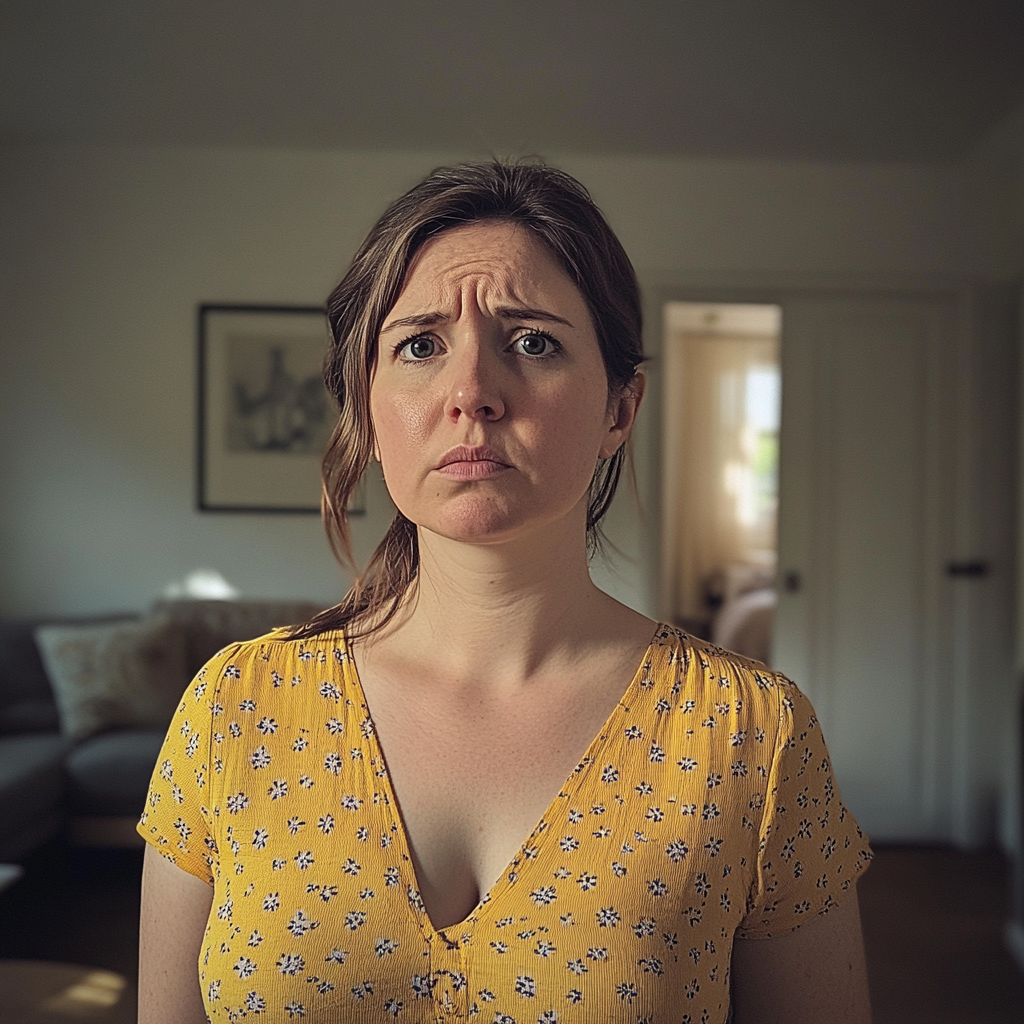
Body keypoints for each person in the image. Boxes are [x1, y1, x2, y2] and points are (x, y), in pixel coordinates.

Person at [138, 160, 873, 1024]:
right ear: (367, 412)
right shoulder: (235, 708)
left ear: (619, 409)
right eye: (419, 345)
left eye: (533, 342)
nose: (473, 394)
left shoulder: (753, 734)